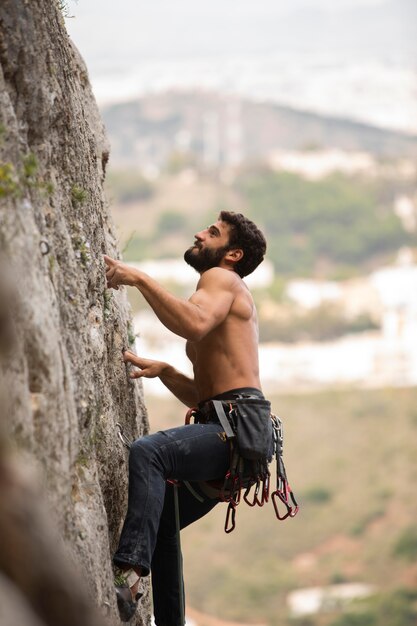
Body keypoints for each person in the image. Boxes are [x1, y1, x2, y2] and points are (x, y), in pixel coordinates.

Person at [104, 211, 267, 625]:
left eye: (212, 232)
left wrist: (139, 279)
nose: (199, 232)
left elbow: (194, 324)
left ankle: (129, 574)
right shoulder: (227, 292)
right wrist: (170, 373)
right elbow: (206, 394)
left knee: (150, 453)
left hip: (233, 428)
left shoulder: (221, 279)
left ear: (232, 254)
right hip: (235, 429)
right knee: (162, 520)